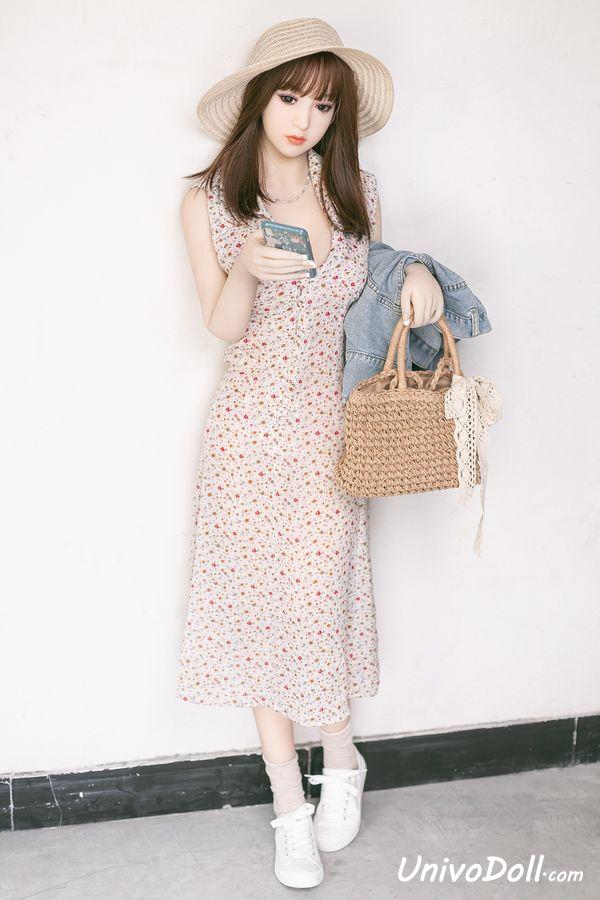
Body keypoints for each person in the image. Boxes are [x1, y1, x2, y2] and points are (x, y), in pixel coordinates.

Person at [177, 17, 443, 890]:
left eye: (323, 106)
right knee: (260, 614)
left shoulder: (353, 191)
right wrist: (247, 267)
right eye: (290, 97)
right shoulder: (208, 203)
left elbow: (373, 288)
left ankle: (342, 759)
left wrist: (411, 270)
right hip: (248, 435)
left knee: (319, 603)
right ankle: (289, 805)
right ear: (260, 99)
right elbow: (222, 326)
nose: (304, 120)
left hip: (334, 431)